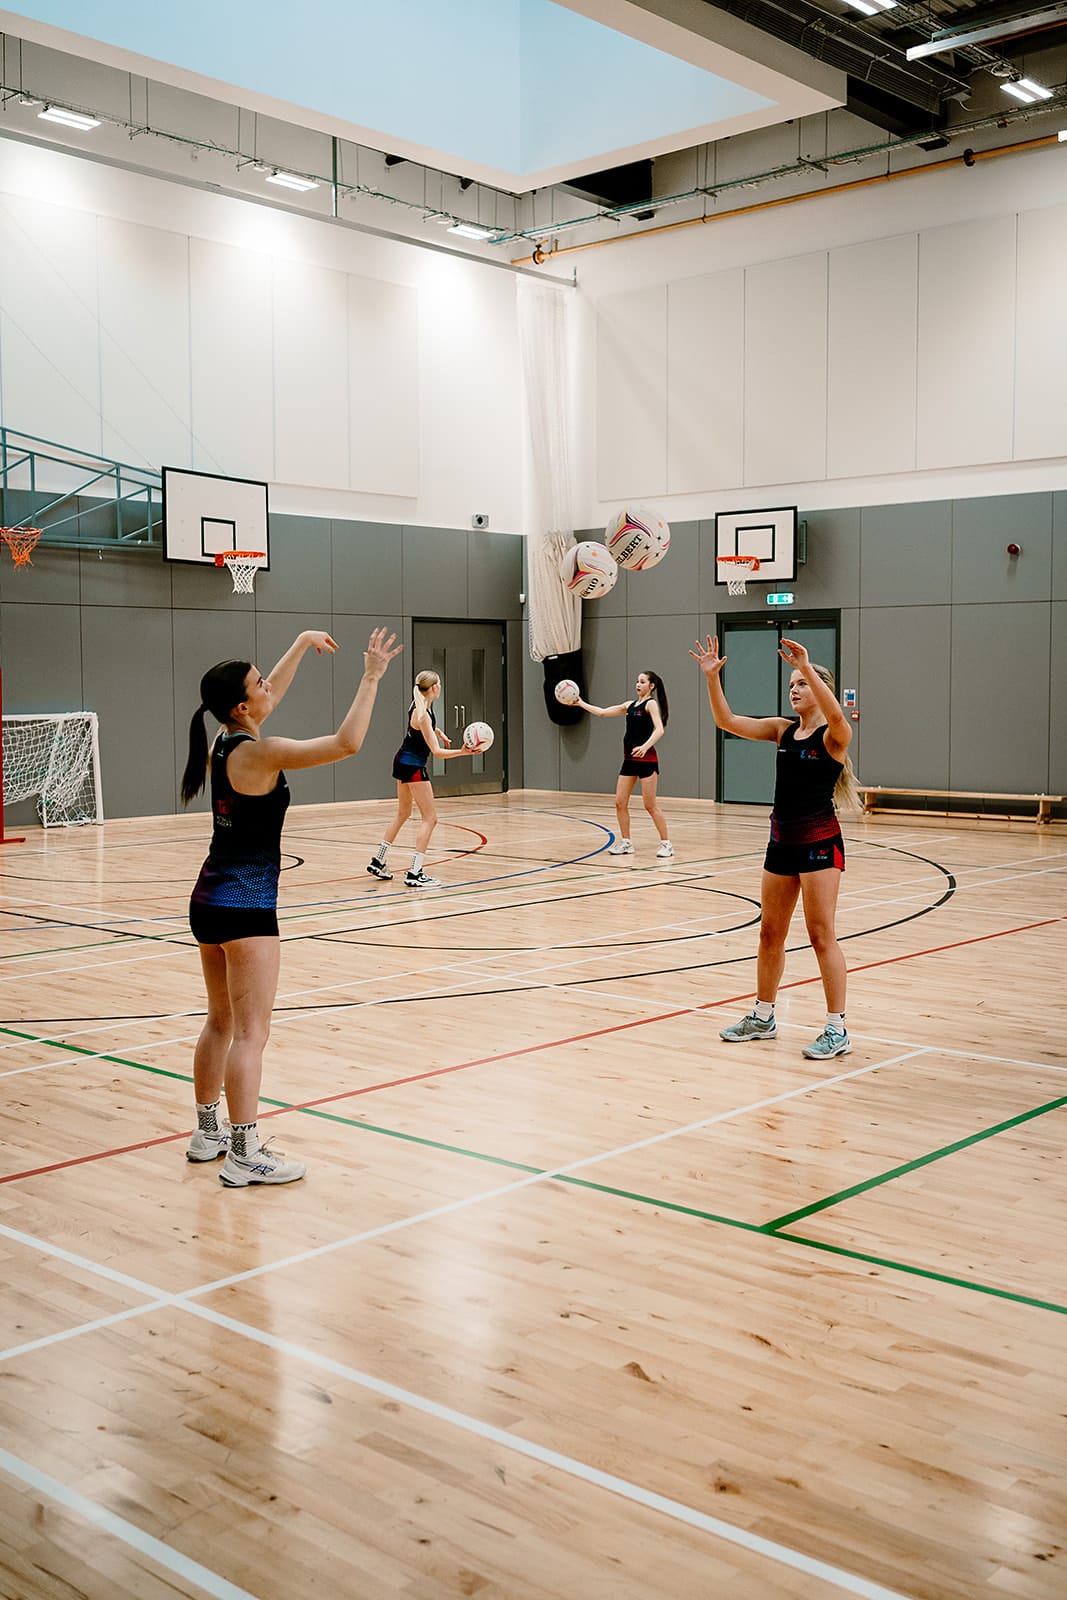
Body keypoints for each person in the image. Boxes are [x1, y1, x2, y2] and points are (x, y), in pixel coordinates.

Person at [181, 626, 402, 1186]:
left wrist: (302, 642)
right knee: (252, 1033)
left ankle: (208, 1131)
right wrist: (372, 676)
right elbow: (346, 743)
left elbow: (271, 693)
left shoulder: (221, 742)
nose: (268, 688)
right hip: (247, 908)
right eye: (258, 684)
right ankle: (244, 1151)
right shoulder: (265, 752)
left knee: (220, 1021)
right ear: (241, 704)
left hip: (207, 898)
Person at [690, 634, 860, 1060]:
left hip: (820, 844)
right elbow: (727, 721)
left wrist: (806, 665)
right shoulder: (784, 731)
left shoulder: (833, 737)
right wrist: (712, 678)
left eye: (801, 683)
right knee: (770, 933)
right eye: (791, 685)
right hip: (780, 843)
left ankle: (837, 1028)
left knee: (821, 936)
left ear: (818, 689)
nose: (795, 689)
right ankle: (763, 1017)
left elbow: (837, 714)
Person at [366, 669, 475, 889]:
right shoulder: (422, 713)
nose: (441, 688)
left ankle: (378, 860)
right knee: (430, 818)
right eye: (440, 685)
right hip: (414, 766)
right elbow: (436, 752)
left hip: (402, 762)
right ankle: (415, 872)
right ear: (434, 688)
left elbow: (424, 728)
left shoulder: (418, 705)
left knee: (403, 813)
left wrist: (438, 732)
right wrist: (463, 752)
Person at [577, 670, 673, 858]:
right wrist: (580, 702)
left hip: (647, 761)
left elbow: (659, 729)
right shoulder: (630, 705)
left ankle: (667, 844)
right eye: (637, 681)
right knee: (620, 803)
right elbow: (603, 713)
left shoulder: (650, 704)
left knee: (650, 805)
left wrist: (645, 747)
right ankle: (626, 842)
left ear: (651, 686)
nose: (638, 684)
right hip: (629, 761)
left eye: (642, 681)